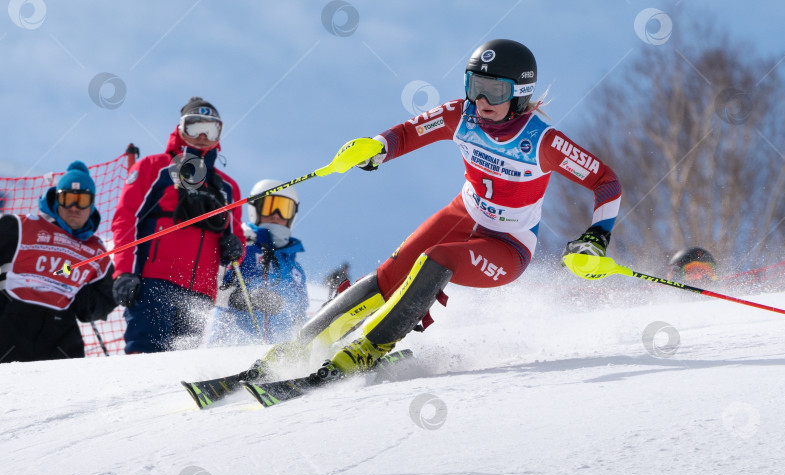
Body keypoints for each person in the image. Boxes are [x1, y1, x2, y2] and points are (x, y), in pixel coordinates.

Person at [252, 39, 622, 380]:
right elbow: (409, 133)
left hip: (508, 246)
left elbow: (606, 181)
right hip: (462, 216)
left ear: (520, 94)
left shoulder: (542, 141)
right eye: (475, 86)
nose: (482, 100)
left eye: (496, 90)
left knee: (437, 257)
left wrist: (596, 237)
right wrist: (375, 148)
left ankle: (369, 350)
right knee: (391, 272)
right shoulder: (461, 116)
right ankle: (299, 347)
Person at [111, 97, 245, 353]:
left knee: (181, 369)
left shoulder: (227, 187)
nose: (203, 136)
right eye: (195, 127)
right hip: (154, 283)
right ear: (181, 129)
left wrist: (235, 247)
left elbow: (235, 237)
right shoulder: (154, 168)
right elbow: (125, 220)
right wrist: (124, 272)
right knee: (145, 356)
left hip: (200, 295)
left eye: (212, 129)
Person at [0, 161, 116, 361]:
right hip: (9, 327)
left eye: (81, 200)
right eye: (68, 198)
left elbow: (106, 299)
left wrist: (84, 299)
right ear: (57, 198)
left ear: (92, 204)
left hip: (59, 338)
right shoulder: (19, 226)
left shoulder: (95, 250)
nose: (74, 207)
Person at [207, 180, 308, 346]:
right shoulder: (241, 245)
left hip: (276, 358)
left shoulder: (295, 269)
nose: (276, 214)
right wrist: (243, 299)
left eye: (284, 209)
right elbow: (211, 287)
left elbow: (300, 319)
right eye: (269, 206)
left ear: (292, 215)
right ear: (255, 208)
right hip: (231, 347)